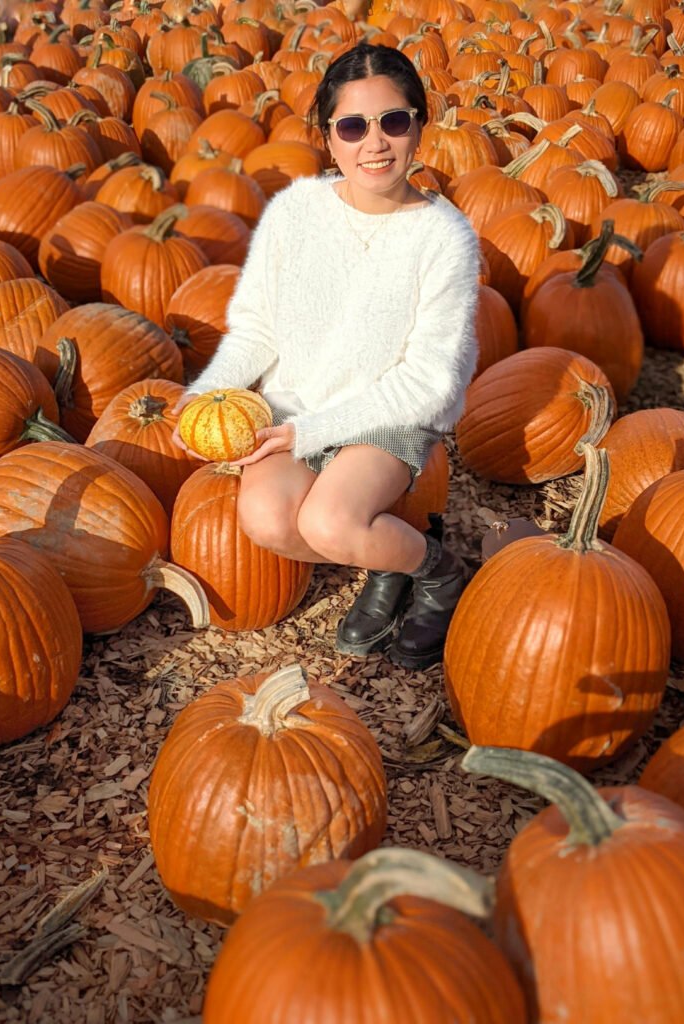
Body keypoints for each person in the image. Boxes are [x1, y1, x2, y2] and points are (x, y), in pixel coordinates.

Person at [174, 42, 480, 669]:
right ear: (329, 138)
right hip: (296, 405)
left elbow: (424, 380)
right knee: (266, 519)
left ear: (420, 124)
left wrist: (304, 433)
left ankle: (438, 571)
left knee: (331, 524)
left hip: (384, 414)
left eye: (394, 120)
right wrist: (206, 395)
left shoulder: (445, 238)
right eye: (353, 126)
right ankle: (386, 561)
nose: (375, 143)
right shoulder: (294, 213)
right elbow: (257, 328)